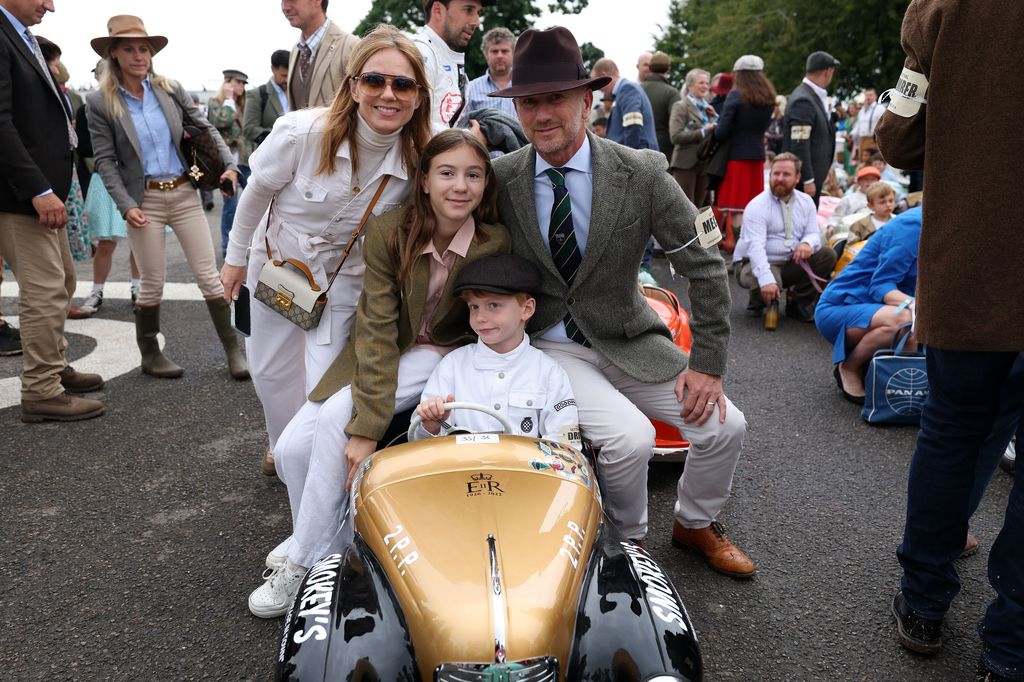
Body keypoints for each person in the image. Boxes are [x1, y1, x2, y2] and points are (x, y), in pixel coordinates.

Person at [488, 27, 753, 577]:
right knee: (630, 440)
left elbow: (705, 262)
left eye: (555, 99)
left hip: (631, 338)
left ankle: (694, 524)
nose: (541, 115)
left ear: (588, 101)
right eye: (528, 102)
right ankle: (625, 546)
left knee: (726, 426)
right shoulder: (500, 179)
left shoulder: (644, 172)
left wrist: (707, 365)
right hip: (554, 347)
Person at [247, 129, 510, 617]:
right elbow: (376, 326)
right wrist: (369, 419)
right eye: (446, 173)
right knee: (291, 447)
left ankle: (311, 563)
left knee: (336, 421)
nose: (460, 186)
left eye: (474, 175)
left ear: (486, 184)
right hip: (386, 347)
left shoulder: (494, 241)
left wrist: (365, 429)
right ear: (425, 181)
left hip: (442, 354)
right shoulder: (392, 229)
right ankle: (324, 537)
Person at [875, 3, 1024, 677]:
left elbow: (900, 140)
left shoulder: (943, 7)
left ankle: (925, 602)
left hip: (973, 263)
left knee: (953, 428)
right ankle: (1013, 641)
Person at [220, 25, 433, 479]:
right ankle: (285, 451)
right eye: (374, 80)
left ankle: (320, 475)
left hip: (346, 281)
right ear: (353, 86)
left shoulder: (421, 158)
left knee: (327, 389)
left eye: (403, 84)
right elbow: (257, 192)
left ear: (418, 96)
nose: (387, 94)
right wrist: (235, 258)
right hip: (279, 268)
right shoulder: (302, 133)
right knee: (273, 377)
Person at [86, 15, 246, 381]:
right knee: (152, 280)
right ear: (114, 53)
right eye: (129, 48)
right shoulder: (100, 102)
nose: (139, 55)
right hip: (145, 201)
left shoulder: (169, 88)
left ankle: (234, 351)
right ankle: (151, 355)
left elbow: (204, 128)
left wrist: (229, 165)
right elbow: (106, 160)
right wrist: (126, 205)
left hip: (184, 192)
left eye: (144, 48)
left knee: (209, 275)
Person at [0, 0, 105, 423]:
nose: (51, 6)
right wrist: (38, 188)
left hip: (39, 192)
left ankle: (53, 367)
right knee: (44, 290)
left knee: (61, 279)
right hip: (20, 195)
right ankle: (42, 389)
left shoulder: (18, 36)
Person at [413, 253, 581, 448]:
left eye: (493, 305)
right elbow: (420, 447)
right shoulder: (451, 366)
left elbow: (566, 448)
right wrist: (431, 425)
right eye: (474, 307)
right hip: (460, 472)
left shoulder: (550, 372)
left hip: (525, 474)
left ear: (526, 309)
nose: (480, 317)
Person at [814, 206, 920, 403]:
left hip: (881, 310)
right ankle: (850, 366)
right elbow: (881, 286)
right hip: (841, 307)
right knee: (905, 321)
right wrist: (916, 306)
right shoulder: (912, 225)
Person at [734, 153, 836, 325]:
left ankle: (798, 304)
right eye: (776, 174)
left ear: (797, 177)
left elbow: (814, 233)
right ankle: (758, 298)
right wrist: (766, 281)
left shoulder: (806, 202)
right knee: (771, 279)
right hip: (751, 262)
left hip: (788, 260)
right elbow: (755, 249)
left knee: (827, 255)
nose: (779, 179)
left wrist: (806, 243)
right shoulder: (757, 206)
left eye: (786, 174)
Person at [412, 0, 493, 131]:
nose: (476, 22)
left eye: (478, 13)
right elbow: (412, 126)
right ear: (438, 10)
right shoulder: (420, 53)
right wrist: (468, 139)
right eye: (468, 10)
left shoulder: (446, 56)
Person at [713, 55, 776, 222]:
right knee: (753, 206)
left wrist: (713, 128)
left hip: (736, 156)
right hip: (757, 155)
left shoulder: (736, 95)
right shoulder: (768, 97)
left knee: (737, 209)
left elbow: (722, 131)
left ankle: (737, 246)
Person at [783, 51, 840, 206]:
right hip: (804, 181)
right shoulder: (803, 100)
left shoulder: (810, 95)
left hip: (813, 176)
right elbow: (799, 144)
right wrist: (807, 179)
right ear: (828, 72)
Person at [282, 0, 359, 110]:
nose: (285, 7)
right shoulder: (295, 51)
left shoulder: (351, 46)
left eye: (292, 0)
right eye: (282, 1)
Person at [207, 68, 251, 257]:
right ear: (227, 83)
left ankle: (250, 245)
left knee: (254, 204)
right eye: (238, 82)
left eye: (243, 83)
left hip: (246, 161)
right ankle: (227, 247)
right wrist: (229, 100)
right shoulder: (215, 103)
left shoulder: (246, 104)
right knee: (230, 207)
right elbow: (219, 121)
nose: (241, 86)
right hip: (227, 163)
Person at [668, 68, 716, 206]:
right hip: (685, 163)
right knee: (685, 207)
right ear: (690, 85)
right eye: (701, 83)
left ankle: (697, 229)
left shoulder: (708, 108)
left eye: (707, 83)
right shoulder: (681, 106)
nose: (705, 86)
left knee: (701, 207)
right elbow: (675, 136)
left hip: (705, 162)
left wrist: (714, 119)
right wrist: (703, 132)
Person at [590, 58, 658, 150]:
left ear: (604, 75)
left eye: (598, 83)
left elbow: (633, 126)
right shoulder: (623, 91)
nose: (598, 89)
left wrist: (628, 158)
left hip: (638, 158)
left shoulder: (627, 89)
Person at [462, 26, 516, 118]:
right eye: (494, 51)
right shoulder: (470, 89)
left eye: (504, 51)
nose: (499, 56)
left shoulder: (526, 85)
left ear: (514, 53)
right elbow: (466, 126)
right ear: (486, 54)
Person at [243, 49, 290, 151]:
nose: (287, 79)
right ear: (273, 69)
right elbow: (249, 129)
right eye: (284, 75)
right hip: (271, 157)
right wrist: (280, 135)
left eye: (289, 75)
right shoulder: (257, 95)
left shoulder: (297, 93)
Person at [639, 51, 681, 162]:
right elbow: (678, 125)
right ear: (668, 69)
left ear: (650, 68)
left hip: (638, 151)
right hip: (664, 154)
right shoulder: (672, 93)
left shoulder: (637, 90)